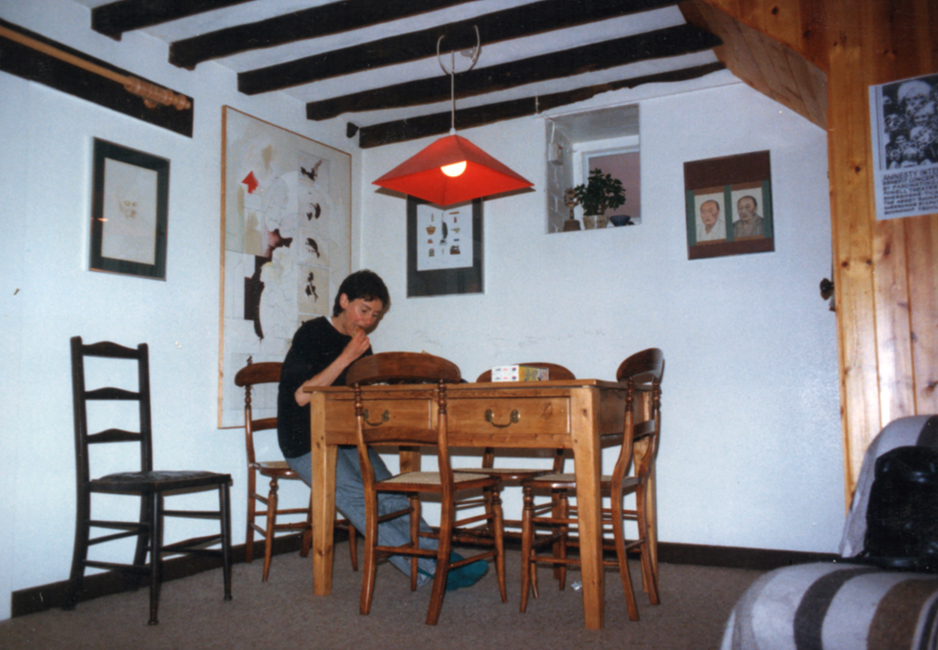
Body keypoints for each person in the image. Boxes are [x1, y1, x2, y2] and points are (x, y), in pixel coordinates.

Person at [277, 269, 486, 590]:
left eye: (375, 316)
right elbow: (302, 396)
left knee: (391, 492)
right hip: (304, 440)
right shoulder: (312, 333)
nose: (368, 321)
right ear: (344, 301)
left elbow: (366, 394)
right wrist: (347, 356)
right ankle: (425, 569)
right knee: (360, 499)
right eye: (364, 310)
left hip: (346, 436)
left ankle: (440, 555)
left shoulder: (361, 346)